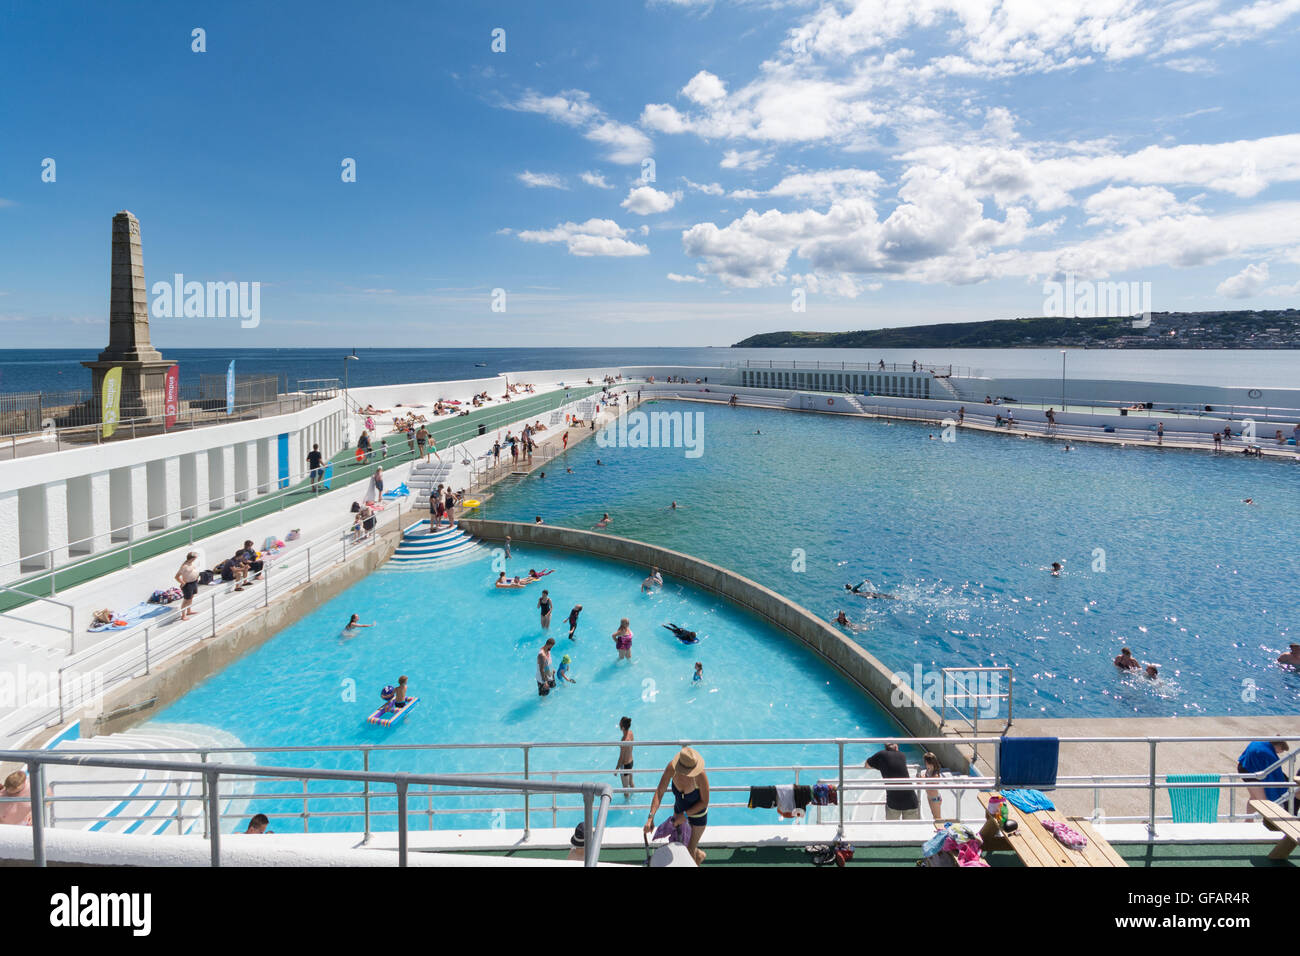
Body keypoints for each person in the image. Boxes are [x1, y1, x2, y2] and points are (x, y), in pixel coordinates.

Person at [644, 746, 710, 864]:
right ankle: (699, 855)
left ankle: (696, 856)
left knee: (688, 851)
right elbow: (660, 792)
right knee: (682, 845)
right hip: (678, 812)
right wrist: (650, 817)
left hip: (698, 816)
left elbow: (704, 802)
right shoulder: (671, 768)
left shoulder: (700, 775)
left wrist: (684, 815)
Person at [866, 743, 919, 820]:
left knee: (891, 829)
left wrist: (880, 767)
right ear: (896, 747)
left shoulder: (881, 754)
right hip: (911, 800)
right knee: (910, 828)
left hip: (893, 801)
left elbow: (866, 765)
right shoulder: (902, 755)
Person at [1237, 740, 1291, 806]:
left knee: (1254, 799)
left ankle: (1249, 816)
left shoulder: (1258, 741)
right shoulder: (1270, 755)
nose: (1277, 753)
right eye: (1279, 751)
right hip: (1251, 773)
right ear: (1279, 746)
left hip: (1243, 767)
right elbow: (1276, 776)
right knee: (1264, 802)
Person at [175, 551, 201, 621]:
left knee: (191, 597)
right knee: (186, 600)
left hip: (194, 582)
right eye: (195, 558)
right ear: (191, 558)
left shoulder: (191, 563)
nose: (195, 559)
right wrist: (182, 583)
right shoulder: (184, 566)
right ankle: (183, 615)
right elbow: (177, 576)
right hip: (188, 584)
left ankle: (189, 611)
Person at [922, 752, 945, 824]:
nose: (925, 763)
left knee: (937, 818)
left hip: (935, 799)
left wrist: (924, 779)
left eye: (925, 762)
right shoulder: (928, 770)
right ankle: (939, 830)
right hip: (930, 797)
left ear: (928, 762)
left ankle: (942, 831)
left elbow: (933, 783)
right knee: (934, 816)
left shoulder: (935, 774)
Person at [616, 717, 635, 794]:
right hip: (631, 762)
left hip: (625, 765)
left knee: (625, 790)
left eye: (620, 724)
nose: (619, 725)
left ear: (623, 727)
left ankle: (627, 805)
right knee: (631, 783)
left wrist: (616, 769)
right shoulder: (631, 733)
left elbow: (621, 757)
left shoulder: (624, 740)